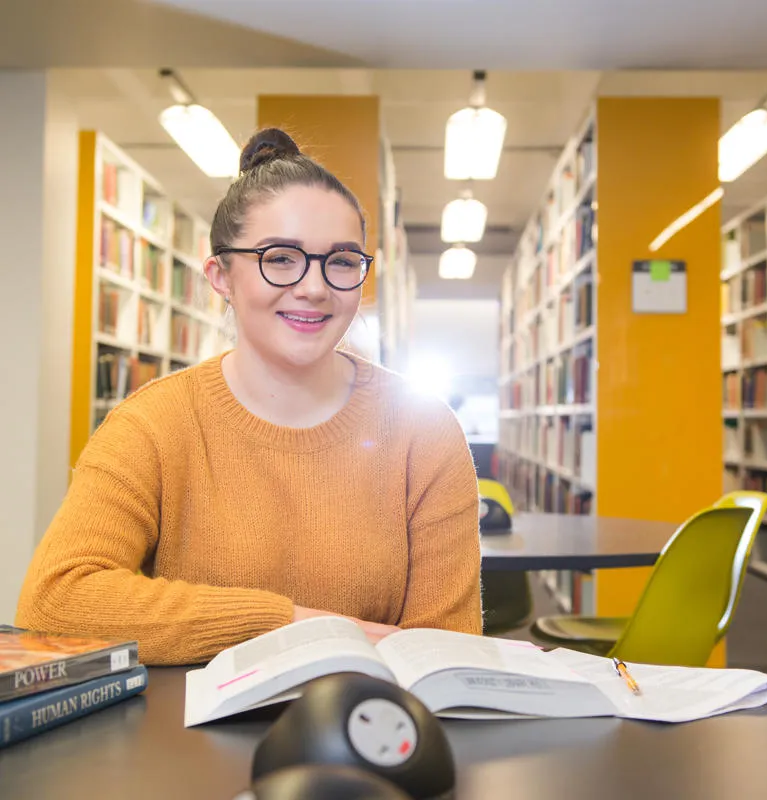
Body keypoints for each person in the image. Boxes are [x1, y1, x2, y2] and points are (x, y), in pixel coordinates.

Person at [16, 128, 483, 665]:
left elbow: (446, 650)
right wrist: (292, 626)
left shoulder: (424, 431)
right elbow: (54, 603)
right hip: (183, 742)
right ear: (220, 275)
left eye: (342, 261)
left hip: (373, 733)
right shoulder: (151, 424)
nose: (314, 287)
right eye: (280, 258)